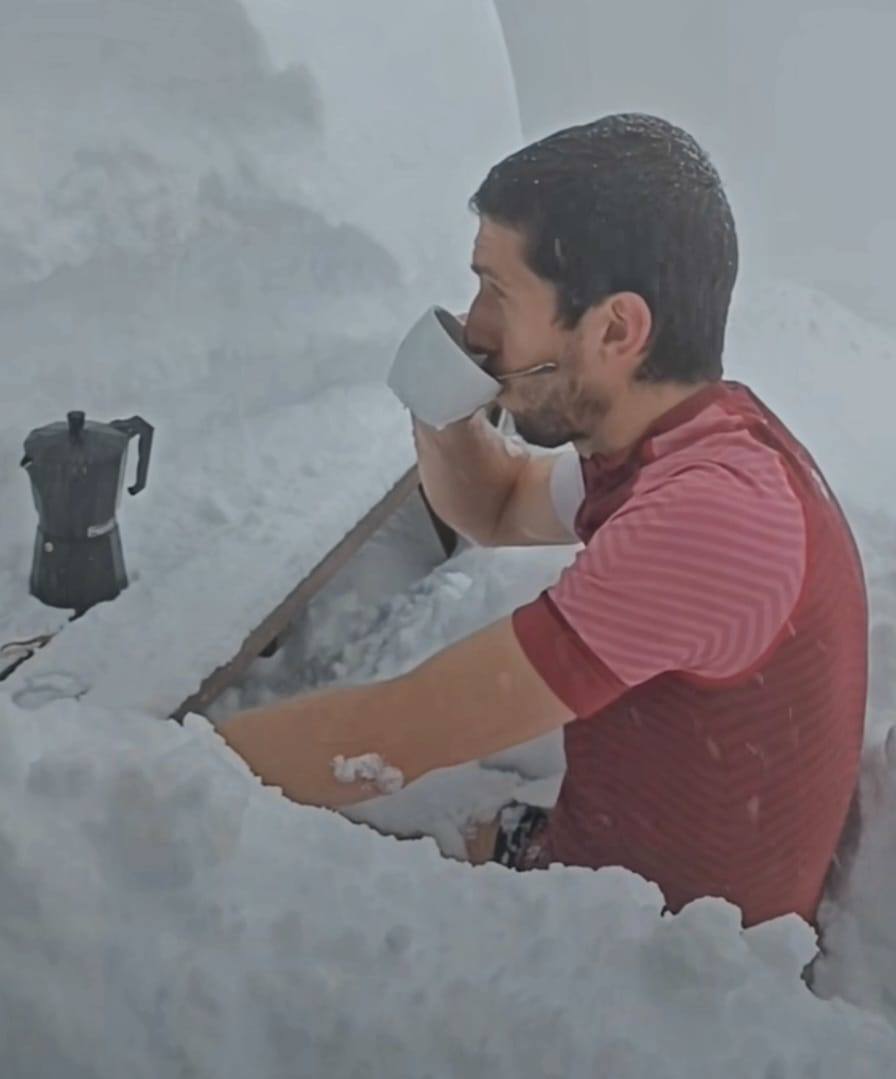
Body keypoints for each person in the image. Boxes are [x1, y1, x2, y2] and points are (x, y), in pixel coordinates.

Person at [221, 114, 867, 929]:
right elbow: (496, 505)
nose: (477, 323)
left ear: (615, 329)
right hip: (619, 869)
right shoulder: (694, 443)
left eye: (497, 291)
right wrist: (446, 400)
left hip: (659, 978)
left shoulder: (712, 521)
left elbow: (393, 735)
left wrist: (147, 766)